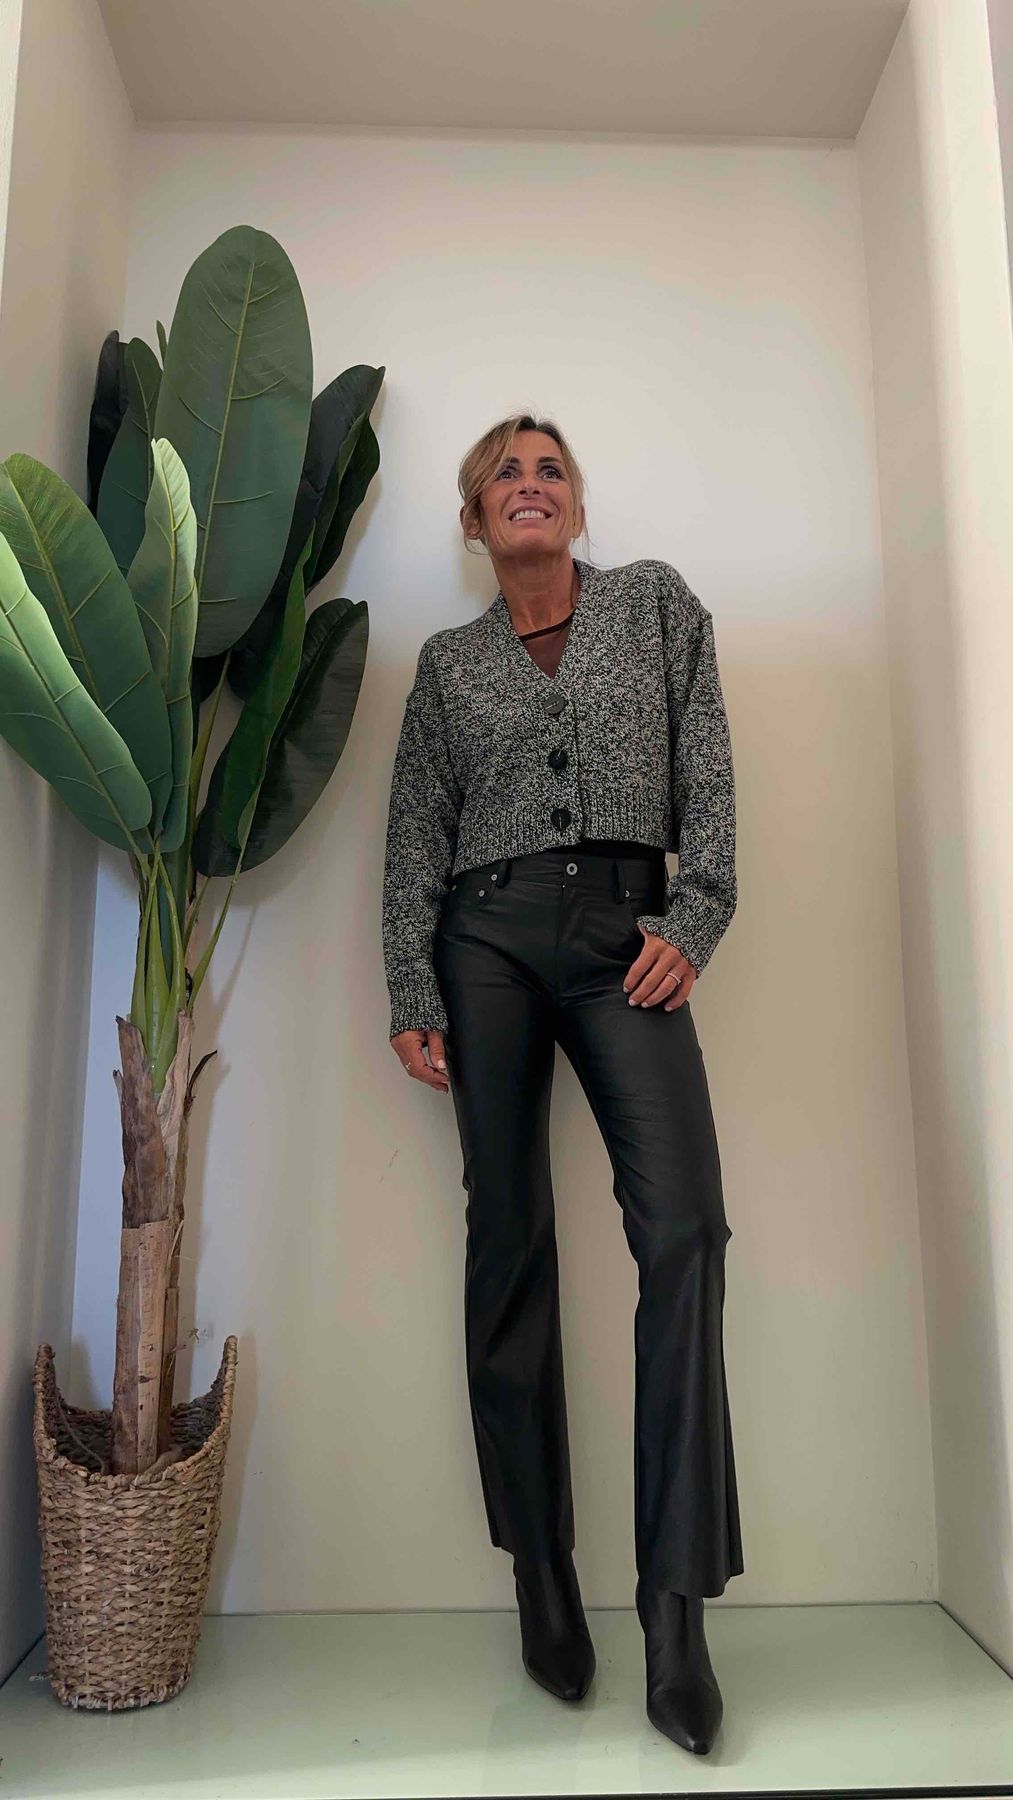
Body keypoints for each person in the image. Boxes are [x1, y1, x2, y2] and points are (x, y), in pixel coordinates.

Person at [381, 412, 744, 1757]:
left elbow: (710, 778)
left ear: (575, 508)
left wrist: (692, 918)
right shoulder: (447, 666)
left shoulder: (654, 608)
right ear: (476, 522)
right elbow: (413, 832)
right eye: (503, 475)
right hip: (482, 942)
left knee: (684, 1230)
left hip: (620, 939)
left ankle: (674, 1606)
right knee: (509, 1244)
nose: (528, 486)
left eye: (549, 470)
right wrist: (410, 988)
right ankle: (541, 1574)